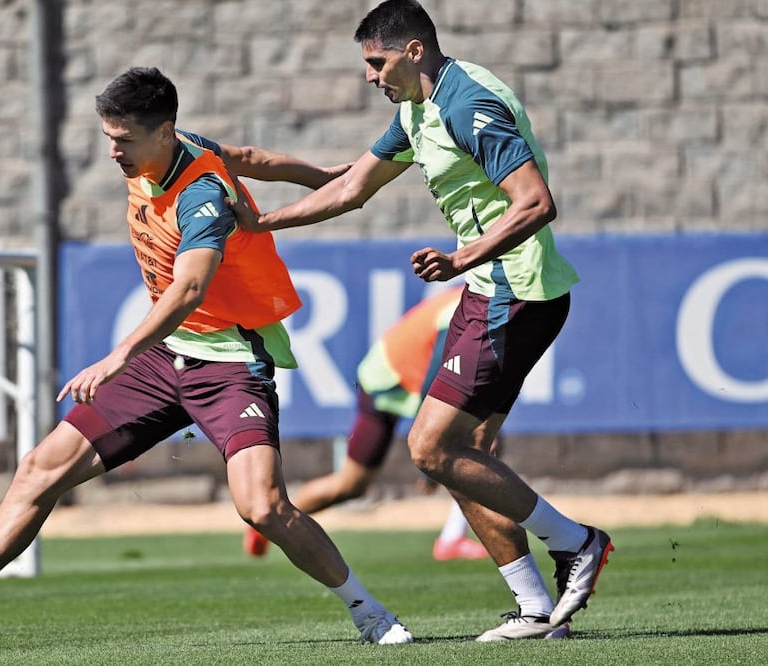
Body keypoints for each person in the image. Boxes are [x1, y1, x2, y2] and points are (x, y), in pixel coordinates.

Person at [0, 66, 412, 656]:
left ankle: (369, 612)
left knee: (262, 506)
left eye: (124, 139)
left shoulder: (201, 197)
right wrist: (319, 175)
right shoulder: (174, 148)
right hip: (167, 356)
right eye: (108, 135)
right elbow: (248, 155)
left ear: (163, 132)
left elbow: (189, 290)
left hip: (229, 360)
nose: (112, 150)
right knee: (41, 467)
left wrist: (117, 356)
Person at [227, 0, 613, 642]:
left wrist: (463, 254)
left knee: (431, 447)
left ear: (412, 51)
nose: (370, 76)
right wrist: (263, 224)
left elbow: (537, 202)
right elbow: (350, 188)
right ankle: (537, 609)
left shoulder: (466, 105)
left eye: (376, 62)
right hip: (491, 287)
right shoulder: (414, 110)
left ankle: (576, 543)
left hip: (512, 290)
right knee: (465, 454)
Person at [242, 284, 497, 562]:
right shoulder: (468, 305)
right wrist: (435, 449)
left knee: (484, 441)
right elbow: (438, 378)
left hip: (394, 378)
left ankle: (451, 538)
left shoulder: (475, 297)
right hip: (385, 381)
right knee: (351, 484)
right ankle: (271, 518)